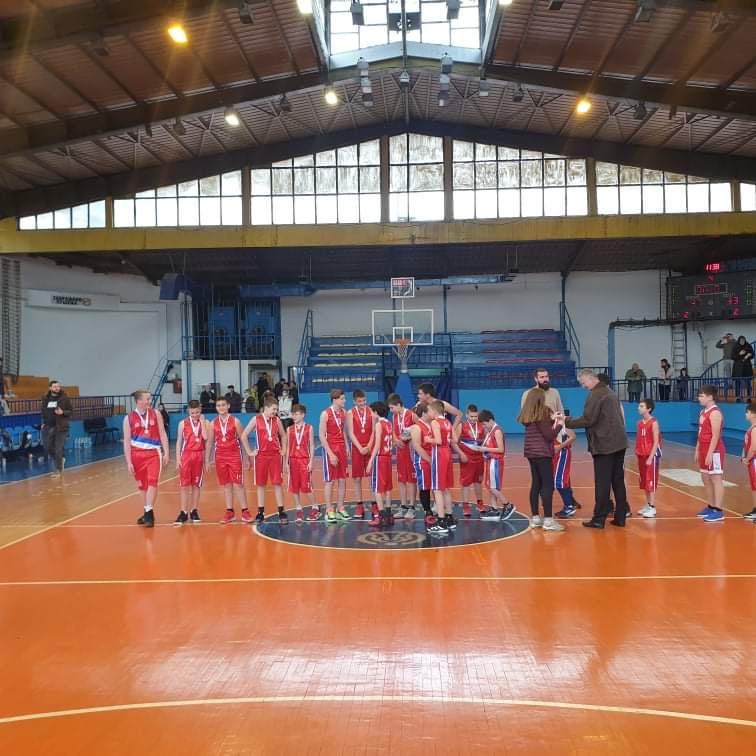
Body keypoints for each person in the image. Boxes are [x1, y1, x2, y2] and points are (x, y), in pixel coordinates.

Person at [559, 368, 629, 529]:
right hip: (619, 443)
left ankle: (599, 519)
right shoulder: (610, 392)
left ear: (591, 378)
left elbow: (588, 419)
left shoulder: (596, 394)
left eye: (583, 382)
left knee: (602, 483)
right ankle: (620, 517)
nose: (583, 386)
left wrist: (565, 420)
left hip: (605, 445)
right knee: (618, 481)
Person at [518, 390, 565, 532]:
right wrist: (559, 424)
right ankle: (549, 520)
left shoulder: (529, 412)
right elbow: (549, 435)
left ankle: (535, 518)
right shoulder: (542, 412)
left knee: (536, 484)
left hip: (531, 452)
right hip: (542, 452)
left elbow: (539, 426)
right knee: (547, 485)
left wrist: (551, 418)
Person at [122, 389, 170, 527]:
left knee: (152, 482)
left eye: (150, 398)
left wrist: (166, 452)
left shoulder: (156, 413)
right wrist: (128, 462)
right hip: (137, 455)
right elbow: (126, 441)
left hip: (153, 453)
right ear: (139, 401)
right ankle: (147, 511)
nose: (150, 401)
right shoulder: (128, 418)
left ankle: (149, 512)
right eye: (147, 399)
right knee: (142, 486)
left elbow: (162, 433)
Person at [206, 396, 252, 523]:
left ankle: (245, 511)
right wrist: (207, 460)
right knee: (226, 485)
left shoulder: (235, 421)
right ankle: (230, 512)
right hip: (220, 457)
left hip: (234, 456)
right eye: (218, 405)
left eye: (223, 405)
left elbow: (243, 439)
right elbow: (209, 443)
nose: (221, 407)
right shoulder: (212, 423)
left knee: (238, 484)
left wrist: (247, 458)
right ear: (216, 408)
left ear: (228, 406)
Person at [243, 396, 287, 524]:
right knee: (261, 484)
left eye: (276, 409)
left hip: (275, 456)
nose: (275, 412)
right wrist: (249, 452)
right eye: (273, 409)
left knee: (277, 483)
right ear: (266, 408)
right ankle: (260, 512)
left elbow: (283, 435)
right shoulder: (256, 419)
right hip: (261, 456)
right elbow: (244, 435)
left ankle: (281, 511)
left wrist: (284, 449)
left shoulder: (277, 420)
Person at [409, 402, 444, 533]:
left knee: (435, 485)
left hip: (433, 458)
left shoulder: (433, 424)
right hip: (423, 460)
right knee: (425, 486)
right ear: (424, 413)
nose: (432, 412)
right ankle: (427, 511)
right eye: (430, 410)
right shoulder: (416, 427)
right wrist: (429, 460)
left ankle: (438, 510)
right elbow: (417, 446)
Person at [694, 385, 726, 523]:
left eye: (702, 395)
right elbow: (700, 432)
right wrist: (697, 449)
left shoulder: (715, 413)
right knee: (705, 478)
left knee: (716, 478)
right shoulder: (702, 412)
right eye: (699, 395)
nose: (699, 398)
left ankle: (718, 510)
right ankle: (711, 506)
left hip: (714, 450)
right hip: (703, 448)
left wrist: (710, 453)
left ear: (710, 397)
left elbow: (715, 435)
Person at [477, 410, 516, 521]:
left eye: (484, 424)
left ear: (490, 420)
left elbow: (501, 449)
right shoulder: (491, 430)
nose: (484, 426)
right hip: (491, 461)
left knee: (492, 487)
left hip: (495, 462)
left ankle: (508, 505)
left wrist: (485, 449)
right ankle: (494, 508)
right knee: (490, 485)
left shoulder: (497, 431)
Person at [319, 388, 350, 523]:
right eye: (342, 399)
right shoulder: (325, 414)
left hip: (341, 448)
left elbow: (343, 431)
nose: (344, 401)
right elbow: (321, 435)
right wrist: (330, 454)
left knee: (342, 479)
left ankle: (340, 507)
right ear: (335, 400)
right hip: (330, 448)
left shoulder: (344, 412)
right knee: (330, 481)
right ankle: (329, 509)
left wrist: (347, 446)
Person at [174, 399, 207, 525]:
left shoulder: (204, 422)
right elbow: (179, 441)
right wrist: (178, 458)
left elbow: (205, 437)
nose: (195, 415)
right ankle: (183, 512)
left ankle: (194, 510)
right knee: (184, 485)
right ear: (188, 411)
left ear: (200, 410)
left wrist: (202, 422)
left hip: (198, 455)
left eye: (197, 412)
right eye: (192, 413)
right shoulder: (182, 423)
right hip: (186, 455)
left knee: (196, 485)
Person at [347, 389, 376, 520]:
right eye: (359, 401)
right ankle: (359, 505)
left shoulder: (371, 412)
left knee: (371, 477)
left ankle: (375, 504)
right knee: (357, 478)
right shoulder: (350, 413)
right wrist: (359, 447)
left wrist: (369, 446)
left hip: (369, 447)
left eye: (364, 400)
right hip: (357, 448)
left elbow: (374, 431)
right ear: (354, 401)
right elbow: (350, 432)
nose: (362, 403)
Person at [388, 393, 417, 519]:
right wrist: (395, 440)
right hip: (400, 452)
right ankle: (403, 506)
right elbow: (393, 432)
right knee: (401, 480)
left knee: (411, 480)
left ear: (399, 404)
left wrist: (410, 438)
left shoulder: (411, 414)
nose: (391, 410)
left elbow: (419, 428)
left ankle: (412, 507)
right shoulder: (394, 417)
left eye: (392, 407)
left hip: (410, 452)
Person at [287, 403, 318, 522]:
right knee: (294, 486)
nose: (294, 416)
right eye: (293, 414)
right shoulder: (289, 429)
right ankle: (298, 508)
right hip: (293, 460)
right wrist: (286, 462)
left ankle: (315, 507)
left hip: (305, 460)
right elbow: (288, 446)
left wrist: (311, 461)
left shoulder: (309, 428)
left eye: (296, 414)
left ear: (303, 415)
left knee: (307, 486)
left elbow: (312, 445)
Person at [454, 404, 486, 517]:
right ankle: (466, 506)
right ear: (467, 415)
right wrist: (461, 454)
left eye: (475, 416)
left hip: (479, 458)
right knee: (466, 483)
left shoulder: (482, 426)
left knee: (478, 482)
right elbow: (454, 443)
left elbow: (485, 441)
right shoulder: (461, 426)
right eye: (471, 416)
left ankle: (480, 503)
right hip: (466, 458)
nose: (473, 418)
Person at [366, 401, 394, 528]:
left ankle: (381, 516)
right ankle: (389, 515)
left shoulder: (378, 425)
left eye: (372, 412)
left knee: (377, 488)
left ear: (376, 412)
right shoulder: (389, 424)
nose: (371, 414)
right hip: (388, 458)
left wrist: (370, 461)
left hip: (380, 458)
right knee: (387, 488)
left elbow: (377, 445)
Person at [430, 399, 456, 533]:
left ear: (434, 411)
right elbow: (455, 439)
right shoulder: (448, 422)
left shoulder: (435, 422)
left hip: (439, 454)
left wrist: (428, 439)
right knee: (445, 488)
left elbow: (438, 441)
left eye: (429, 410)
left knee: (437, 489)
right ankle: (449, 517)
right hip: (448, 453)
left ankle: (441, 521)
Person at [635, 398, 662, 519]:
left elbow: (656, 441)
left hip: (651, 455)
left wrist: (651, 457)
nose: (639, 408)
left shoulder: (654, 422)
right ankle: (648, 504)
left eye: (641, 406)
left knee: (651, 481)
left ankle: (652, 506)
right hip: (641, 455)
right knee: (644, 482)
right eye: (639, 406)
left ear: (649, 409)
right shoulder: (639, 423)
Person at [41, 380, 73, 478]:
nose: (57, 388)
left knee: (58, 448)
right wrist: (43, 422)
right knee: (48, 447)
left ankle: (58, 470)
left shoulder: (64, 398)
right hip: (49, 426)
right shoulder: (45, 398)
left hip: (61, 427)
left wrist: (63, 412)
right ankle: (60, 459)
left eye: (58, 386)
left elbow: (71, 411)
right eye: (55, 387)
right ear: (50, 388)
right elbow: (43, 411)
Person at [553, 426, 581, 518]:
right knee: (564, 479)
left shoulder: (560, 422)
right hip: (556, 454)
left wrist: (559, 447)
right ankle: (571, 502)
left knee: (559, 480)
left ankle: (569, 507)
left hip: (562, 453)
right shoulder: (550, 422)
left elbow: (573, 436)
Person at [740, 401, 756, 521]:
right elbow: (747, 445)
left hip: (754, 460)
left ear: (753, 414)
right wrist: (743, 457)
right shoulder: (751, 428)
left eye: (747, 412)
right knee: (754, 486)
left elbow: (753, 447)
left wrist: (747, 458)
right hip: (751, 461)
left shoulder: (755, 429)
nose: (745, 414)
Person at [732, 336, 754, 401]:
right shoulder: (735, 346)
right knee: (737, 382)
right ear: (739, 340)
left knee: (748, 382)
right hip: (738, 367)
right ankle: (738, 397)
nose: (742, 342)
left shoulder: (748, 345)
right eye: (741, 340)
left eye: (743, 340)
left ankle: (749, 397)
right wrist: (739, 354)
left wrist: (749, 355)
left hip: (747, 366)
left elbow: (753, 354)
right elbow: (732, 357)